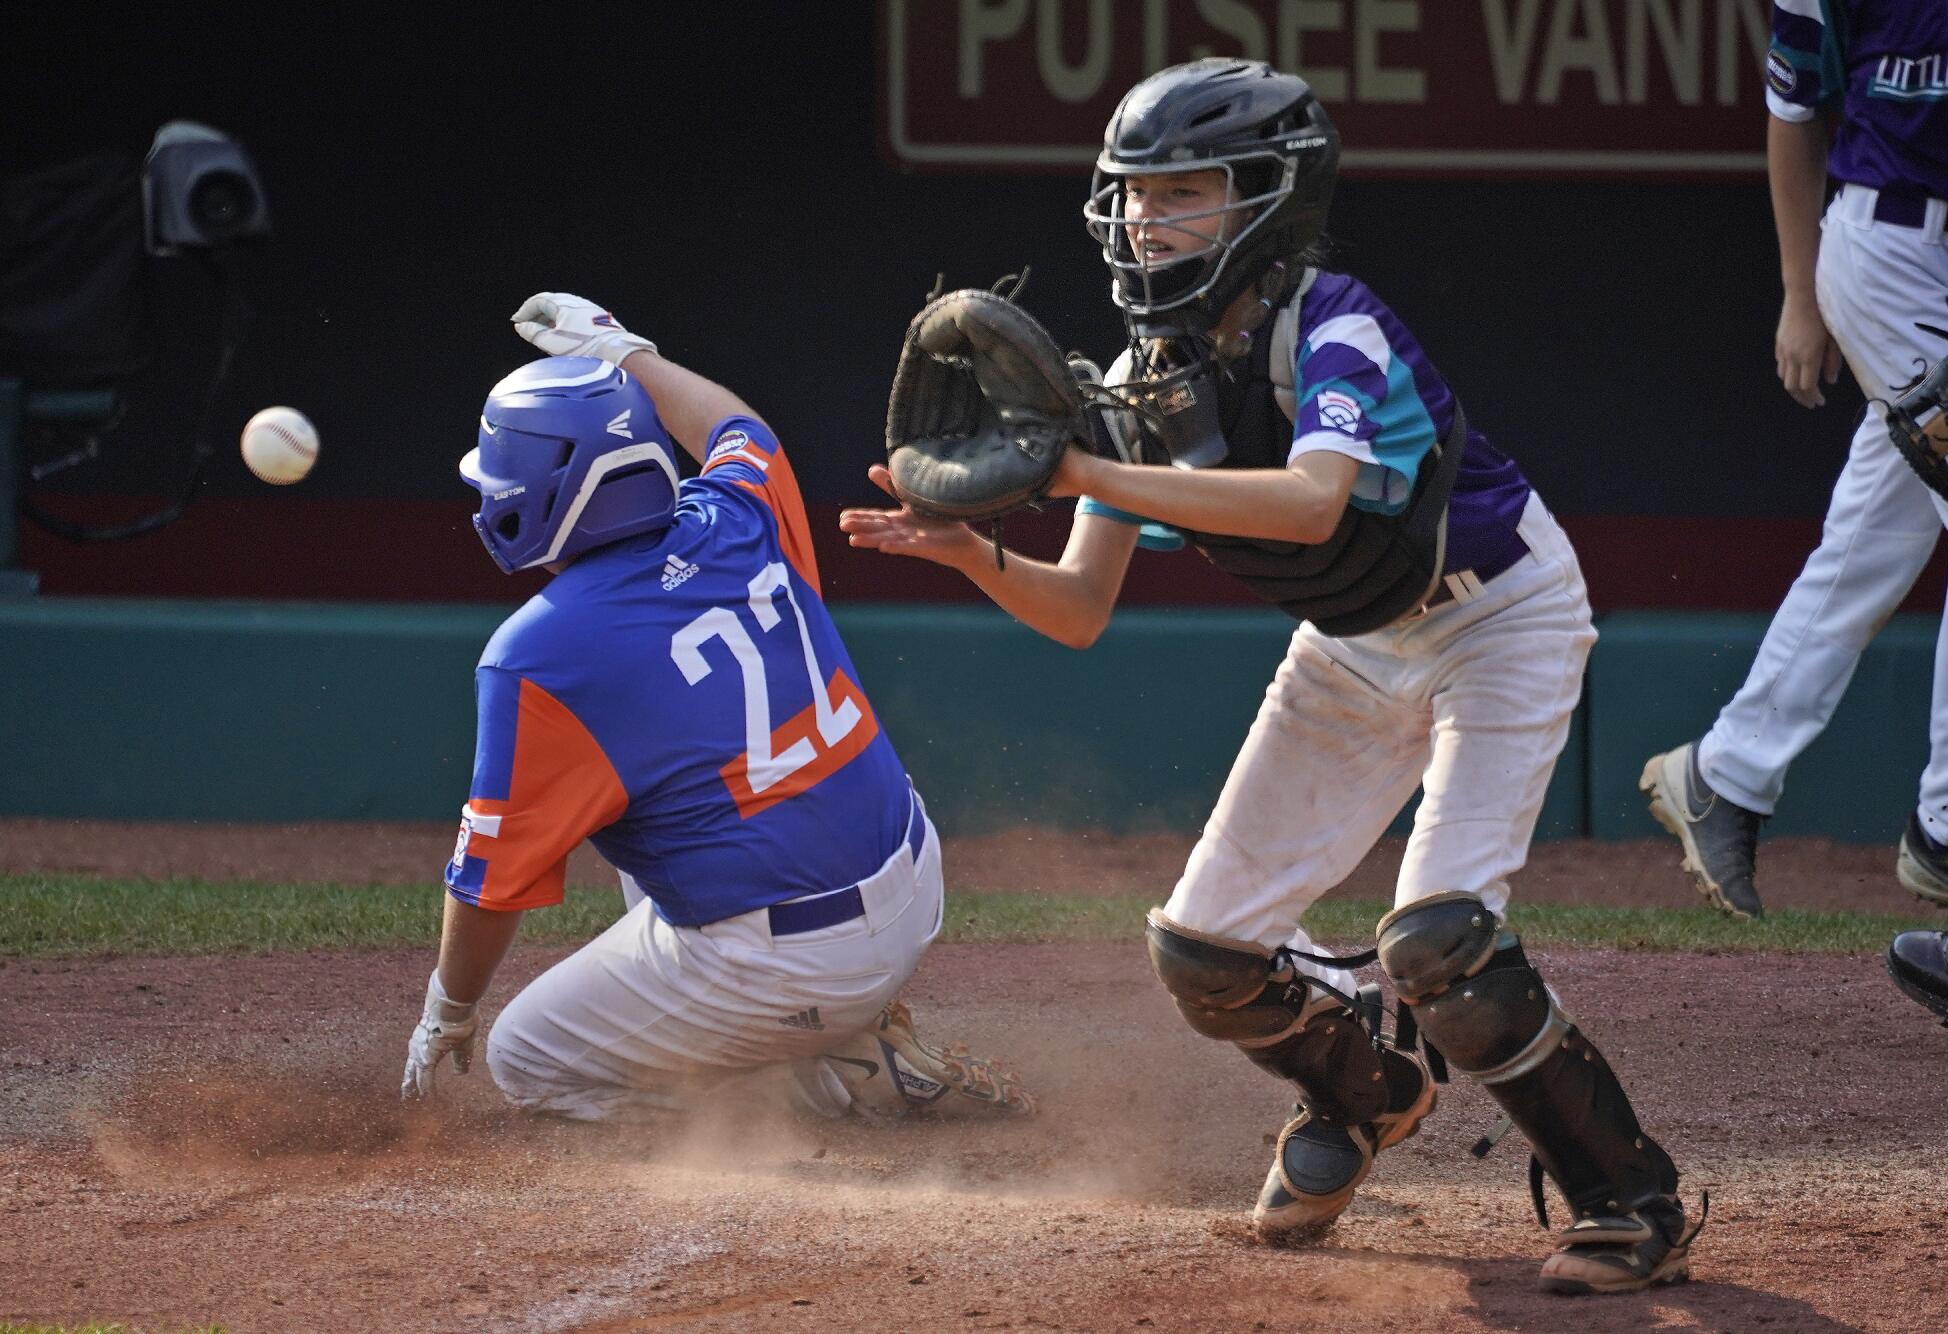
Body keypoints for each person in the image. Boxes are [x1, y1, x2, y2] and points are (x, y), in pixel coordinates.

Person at [842, 59, 1695, 1296]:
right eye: (1134, 196)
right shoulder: (1135, 381)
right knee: (1206, 956)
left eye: (1180, 192)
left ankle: (1629, 1200)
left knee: (1441, 943)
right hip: (1352, 644)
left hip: (1496, 615)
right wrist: (978, 550)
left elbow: (1308, 504)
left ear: (1265, 198)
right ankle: (1372, 1094)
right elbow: (1078, 608)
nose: (1146, 222)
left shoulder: (1331, 318)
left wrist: (1082, 472)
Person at [399, 293, 1033, 1125]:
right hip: (913, 884)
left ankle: (803, 1091)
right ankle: (849, 1037)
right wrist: (627, 354)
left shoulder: (539, 652)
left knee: (528, 1057)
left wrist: (449, 1009)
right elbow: (736, 426)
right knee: (649, 814)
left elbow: (489, 887)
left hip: (795, 965)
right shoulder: (737, 512)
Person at [1641, 2, 1948, 921]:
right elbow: (1795, 117)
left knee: (1868, 546)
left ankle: (1724, 773)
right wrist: (1802, 294)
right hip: (1892, 254)